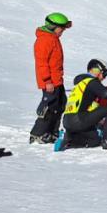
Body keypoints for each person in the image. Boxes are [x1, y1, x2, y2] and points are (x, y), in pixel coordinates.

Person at [59, 59, 107, 151]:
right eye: (105, 74)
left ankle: (70, 138)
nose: (104, 78)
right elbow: (106, 95)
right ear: (98, 71)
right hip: (79, 118)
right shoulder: (91, 81)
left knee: (95, 140)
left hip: (68, 121)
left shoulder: (80, 84)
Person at [30, 13, 72, 144]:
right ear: (53, 26)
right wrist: (47, 81)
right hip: (49, 81)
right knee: (49, 107)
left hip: (57, 79)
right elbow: (42, 63)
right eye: (61, 28)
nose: (63, 30)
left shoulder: (53, 38)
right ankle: (38, 133)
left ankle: (52, 131)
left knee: (60, 105)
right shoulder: (44, 40)